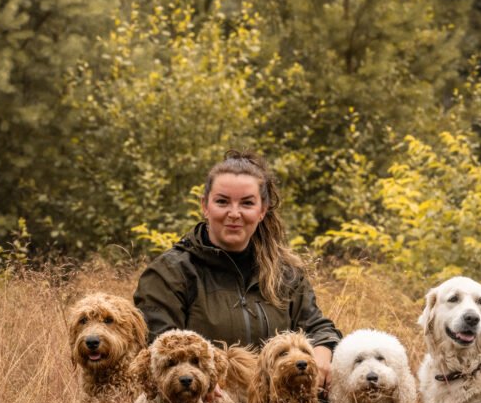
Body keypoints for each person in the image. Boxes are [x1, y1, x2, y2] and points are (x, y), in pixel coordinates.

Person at [133, 150, 341, 386]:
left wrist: (323, 353)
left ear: (262, 210)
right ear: (205, 205)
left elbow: (317, 326)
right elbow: (159, 346)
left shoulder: (285, 272)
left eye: (247, 203)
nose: (234, 213)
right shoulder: (169, 272)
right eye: (222, 201)